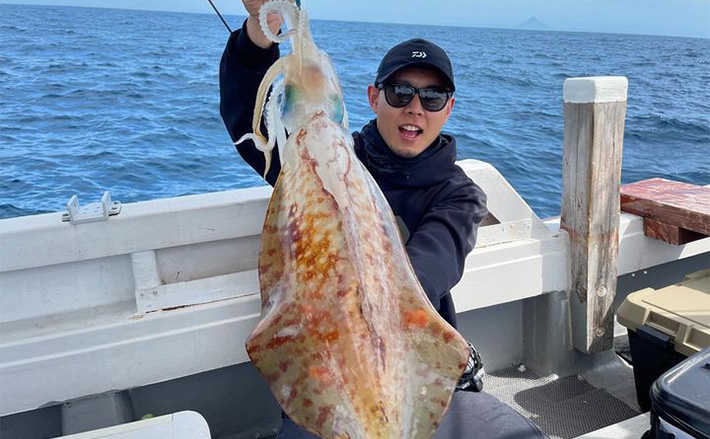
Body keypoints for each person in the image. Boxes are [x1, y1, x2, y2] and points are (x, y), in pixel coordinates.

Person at [219, 1, 546, 438]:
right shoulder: (323, 164)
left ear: (448, 108)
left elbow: (429, 268)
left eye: (432, 97)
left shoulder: (458, 195)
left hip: (414, 374)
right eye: (400, 93)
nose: (415, 108)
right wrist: (265, 29)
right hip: (327, 373)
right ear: (373, 98)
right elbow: (249, 124)